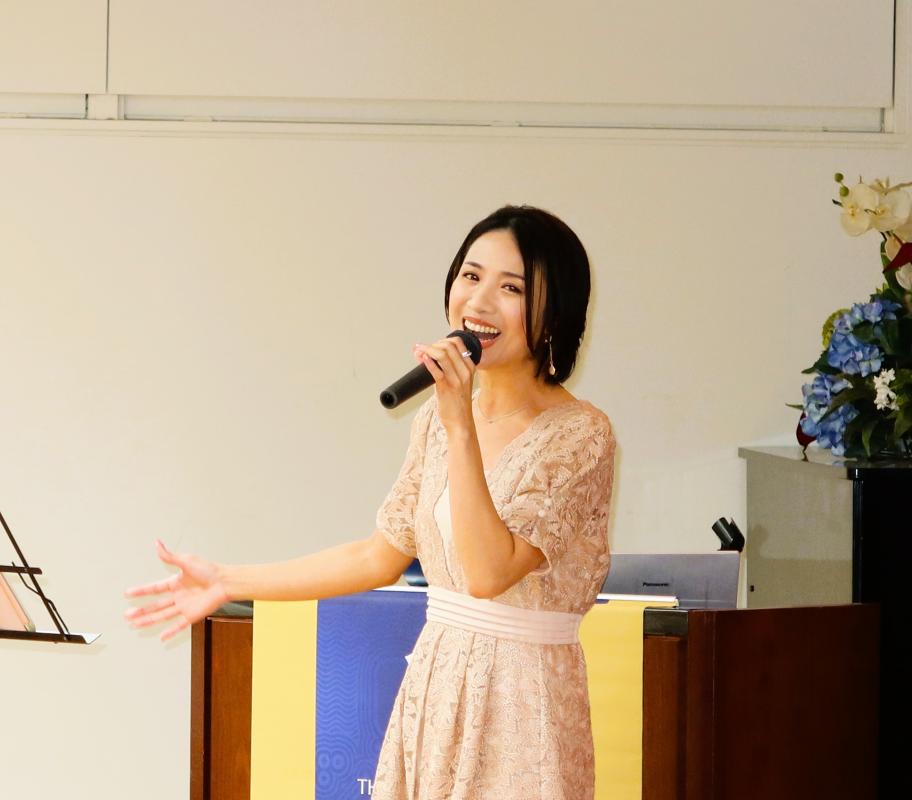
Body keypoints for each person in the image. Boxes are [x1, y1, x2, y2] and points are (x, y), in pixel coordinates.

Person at [125, 205, 616, 800]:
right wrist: (228, 581)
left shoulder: (579, 435)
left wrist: (460, 426)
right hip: (436, 686)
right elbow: (378, 556)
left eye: (511, 288)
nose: (479, 302)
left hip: (524, 703)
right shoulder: (436, 419)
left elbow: (489, 573)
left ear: (554, 310)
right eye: (470, 276)